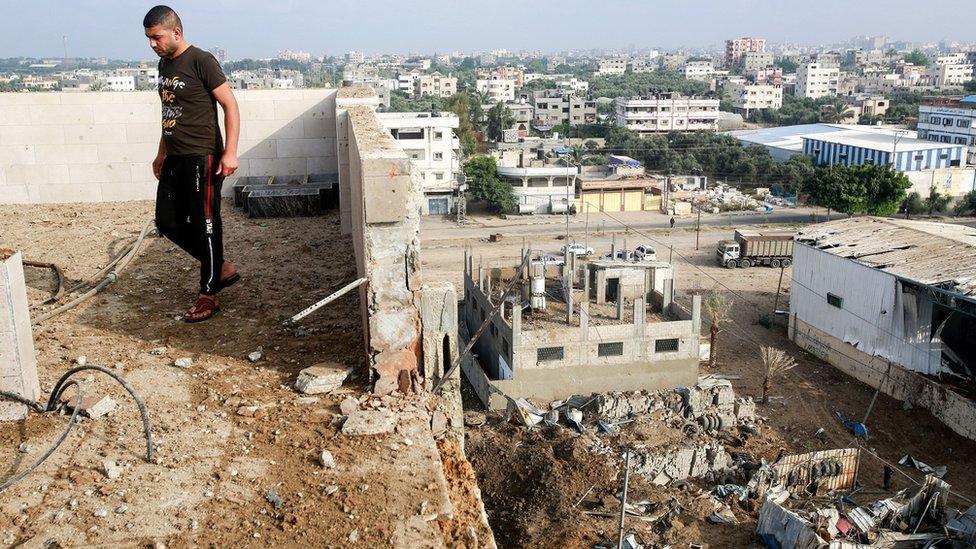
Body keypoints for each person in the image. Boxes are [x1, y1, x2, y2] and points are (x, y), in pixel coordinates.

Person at [144, 6, 241, 322]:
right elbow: (168, 114)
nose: (153, 44)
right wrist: (161, 153)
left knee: (206, 224)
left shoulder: (201, 60)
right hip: (175, 157)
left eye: (156, 37)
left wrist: (230, 152)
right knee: (167, 221)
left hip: (204, 156)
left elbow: (230, 106)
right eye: (148, 39)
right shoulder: (164, 65)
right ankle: (221, 266)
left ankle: (208, 293)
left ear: (175, 32)